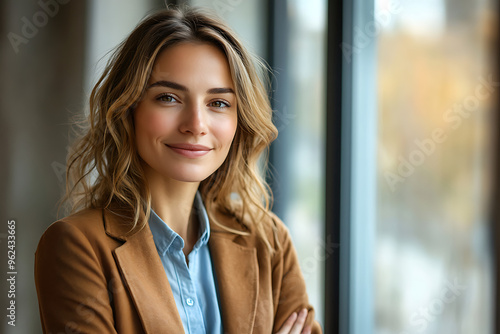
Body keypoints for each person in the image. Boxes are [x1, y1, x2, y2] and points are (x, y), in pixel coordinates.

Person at [34, 7, 322, 334]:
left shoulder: (269, 241)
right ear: (129, 109)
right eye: (169, 97)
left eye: (218, 103)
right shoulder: (76, 246)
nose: (196, 125)